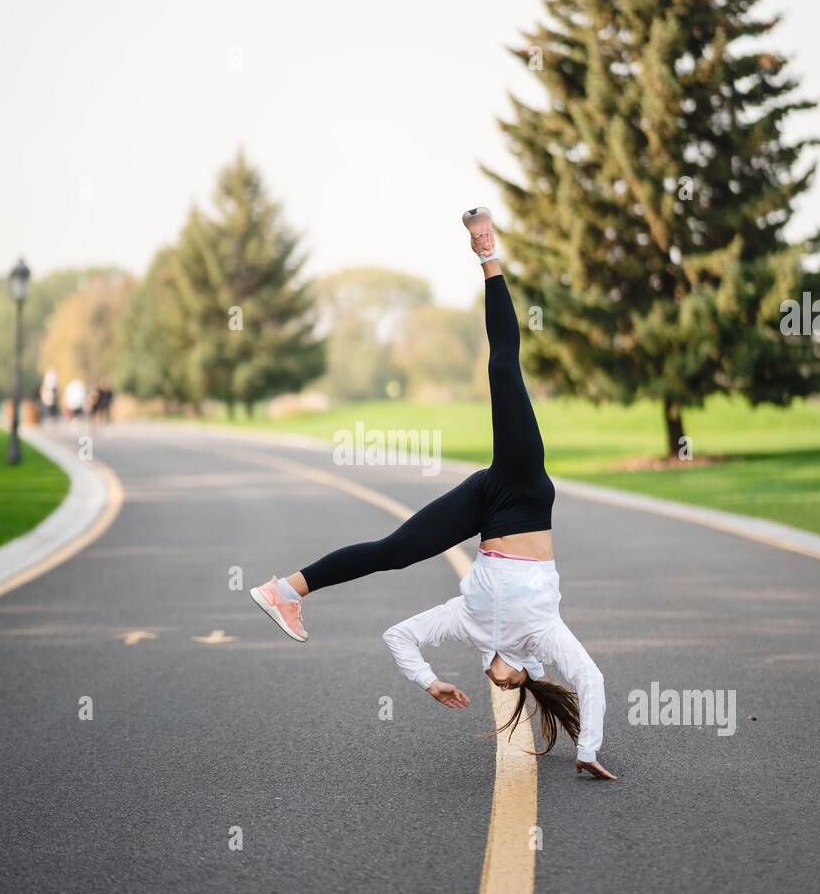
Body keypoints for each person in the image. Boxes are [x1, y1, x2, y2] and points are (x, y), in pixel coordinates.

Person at [250, 209, 616, 780]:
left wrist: (428, 681)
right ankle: (488, 253)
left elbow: (398, 636)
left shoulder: (466, 626)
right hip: (521, 486)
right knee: (503, 370)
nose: (497, 683)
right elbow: (589, 678)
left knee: (392, 551)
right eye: (511, 684)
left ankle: (284, 590)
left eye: (496, 684)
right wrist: (588, 750)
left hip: (487, 511)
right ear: (522, 670)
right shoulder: (542, 636)